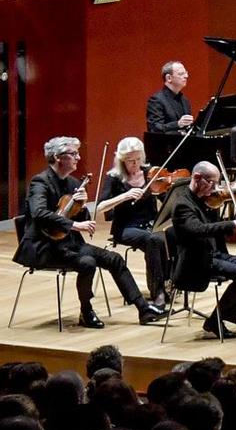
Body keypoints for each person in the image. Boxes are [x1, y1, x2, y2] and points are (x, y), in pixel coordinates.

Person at [16, 136, 165, 326]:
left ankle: (143, 309)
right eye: (73, 154)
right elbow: (39, 213)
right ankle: (86, 312)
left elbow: (83, 218)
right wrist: (74, 226)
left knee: (114, 259)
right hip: (43, 247)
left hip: (69, 244)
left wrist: (83, 206)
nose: (78, 158)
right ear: (58, 157)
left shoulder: (72, 183)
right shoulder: (40, 182)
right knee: (87, 262)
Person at [167, 160, 236, 338]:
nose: (216, 188)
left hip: (213, 255)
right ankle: (214, 322)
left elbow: (229, 190)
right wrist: (232, 223)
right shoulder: (183, 205)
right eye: (212, 182)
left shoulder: (205, 198)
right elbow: (198, 230)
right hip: (196, 262)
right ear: (197, 178)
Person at [97, 137, 172, 307]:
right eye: (131, 161)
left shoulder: (150, 173)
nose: (136, 164)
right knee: (153, 239)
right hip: (126, 227)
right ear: (122, 160)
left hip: (151, 224)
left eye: (138, 159)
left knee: (171, 234)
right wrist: (124, 196)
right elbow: (100, 206)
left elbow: (166, 198)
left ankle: (171, 281)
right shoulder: (114, 178)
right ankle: (158, 292)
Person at [146, 60, 195, 134]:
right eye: (181, 74)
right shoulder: (156, 100)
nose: (186, 76)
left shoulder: (184, 100)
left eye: (186, 73)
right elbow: (154, 128)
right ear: (169, 78)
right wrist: (178, 124)